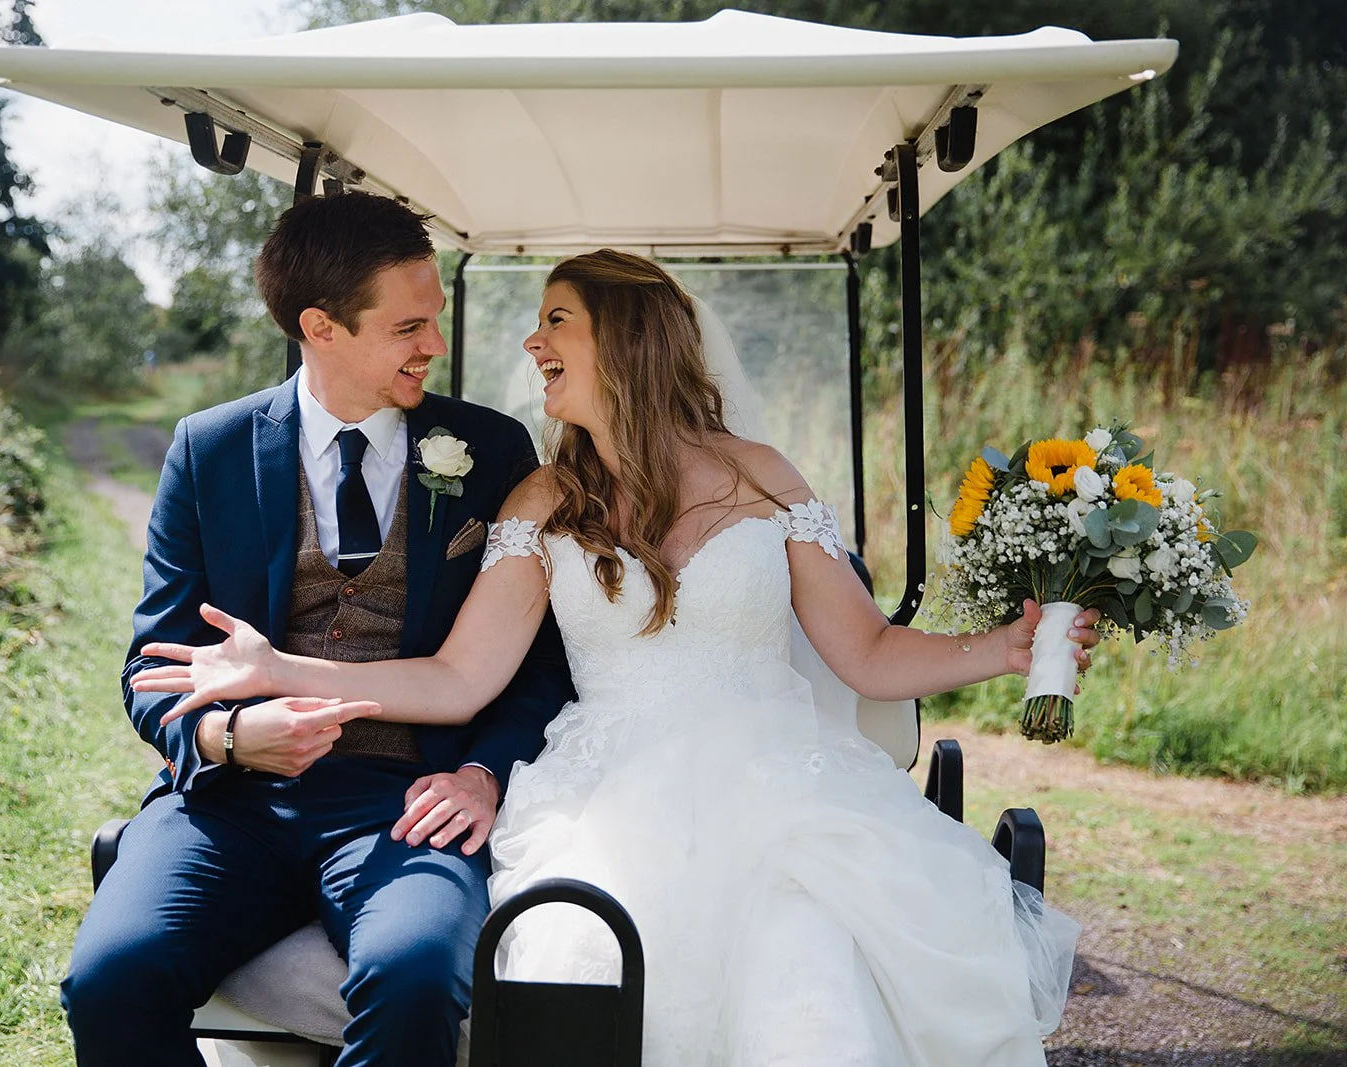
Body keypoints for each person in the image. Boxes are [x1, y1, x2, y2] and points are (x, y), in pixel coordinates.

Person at [133, 250, 1102, 1066]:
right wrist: (279, 669)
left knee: (807, 994)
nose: (532, 342)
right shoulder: (541, 500)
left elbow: (869, 652)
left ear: (628, 342)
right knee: (574, 970)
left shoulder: (763, 476)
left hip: (781, 798)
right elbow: (457, 677)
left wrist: (1008, 648)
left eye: (557, 319)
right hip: (606, 797)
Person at [60, 191, 575, 1067]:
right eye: (410, 326)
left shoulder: (492, 450)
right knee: (109, 978)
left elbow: (541, 662)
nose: (435, 348)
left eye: (435, 320)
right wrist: (228, 736)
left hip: (410, 798)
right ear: (320, 327)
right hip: (232, 805)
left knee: (413, 978)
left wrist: (485, 772)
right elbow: (152, 666)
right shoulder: (208, 448)